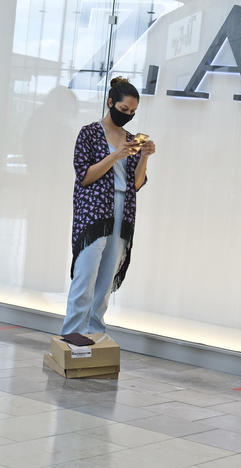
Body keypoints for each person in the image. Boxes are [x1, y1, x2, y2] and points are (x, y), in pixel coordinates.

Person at [61, 77, 156, 335]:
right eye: (124, 110)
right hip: (93, 212)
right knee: (85, 276)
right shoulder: (89, 133)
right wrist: (116, 155)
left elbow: (135, 184)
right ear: (110, 102)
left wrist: (144, 156)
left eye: (133, 112)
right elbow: (85, 176)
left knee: (105, 282)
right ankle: (73, 335)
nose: (128, 115)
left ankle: (95, 334)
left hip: (122, 211)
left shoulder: (131, 139)